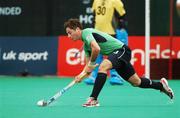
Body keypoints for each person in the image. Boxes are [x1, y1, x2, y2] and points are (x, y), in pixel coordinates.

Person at [64, 18, 174, 107]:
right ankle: (161, 86)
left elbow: (96, 49)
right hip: (116, 56)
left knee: (103, 66)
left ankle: (93, 99)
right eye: (67, 34)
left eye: (70, 33)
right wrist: (80, 76)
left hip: (122, 51)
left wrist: (91, 64)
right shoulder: (86, 45)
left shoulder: (87, 32)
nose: (68, 36)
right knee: (136, 82)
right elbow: (88, 69)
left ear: (78, 29)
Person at [84, 0, 128, 85]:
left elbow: (122, 17)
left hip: (112, 32)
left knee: (113, 55)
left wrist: (122, 30)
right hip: (97, 32)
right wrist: (92, 30)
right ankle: (94, 75)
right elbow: (94, 17)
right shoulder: (96, 1)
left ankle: (114, 76)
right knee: (97, 54)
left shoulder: (116, 1)